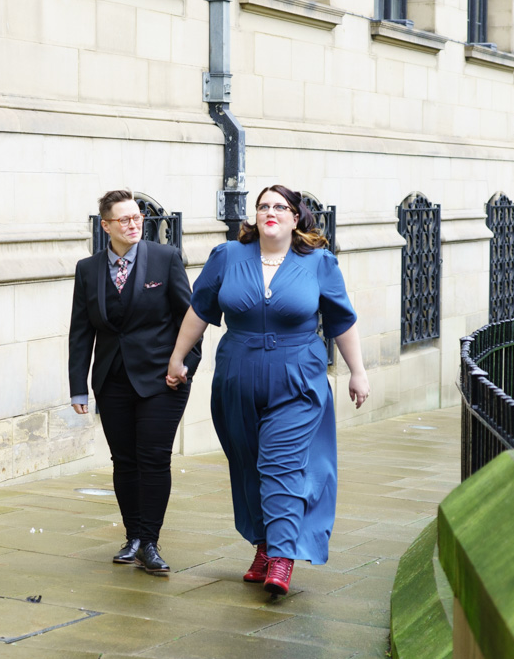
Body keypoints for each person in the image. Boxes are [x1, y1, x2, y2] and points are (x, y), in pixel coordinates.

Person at [166, 184, 369, 596]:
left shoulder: (318, 263)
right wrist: (177, 358)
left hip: (298, 377)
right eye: (262, 207)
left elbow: (341, 320)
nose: (270, 212)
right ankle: (264, 543)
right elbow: (200, 310)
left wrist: (357, 372)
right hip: (237, 375)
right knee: (248, 464)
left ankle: (281, 556)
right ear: (253, 217)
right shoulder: (227, 257)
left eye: (280, 206)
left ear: (297, 218)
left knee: (281, 464)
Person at [69, 189, 202, 576]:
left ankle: (150, 542)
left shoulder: (165, 259)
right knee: (124, 461)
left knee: (154, 458)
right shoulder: (88, 269)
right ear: (106, 225)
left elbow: (190, 318)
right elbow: (81, 332)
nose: (133, 224)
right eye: (124, 219)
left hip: (163, 380)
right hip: (112, 380)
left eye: (137, 218)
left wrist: (186, 365)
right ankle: (133, 538)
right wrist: (79, 385)